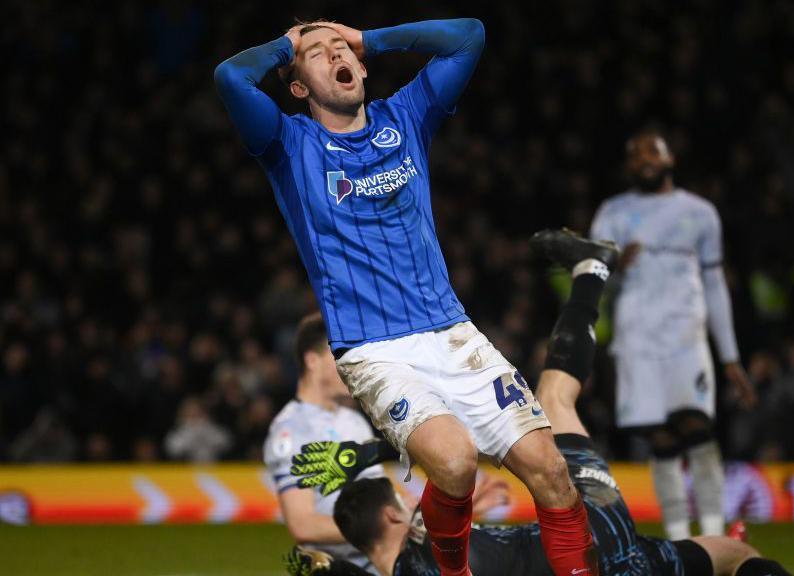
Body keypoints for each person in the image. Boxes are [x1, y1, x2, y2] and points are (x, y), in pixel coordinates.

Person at [214, 19, 596, 575]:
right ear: (298, 87)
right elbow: (230, 77)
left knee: (551, 470)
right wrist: (287, 45)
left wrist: (370, 37)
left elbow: (470, 35)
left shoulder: (406, 116)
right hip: (374, 350)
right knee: (456, 462)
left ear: (362, 65)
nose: (333, 55)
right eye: (316, 56)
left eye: (341, 49)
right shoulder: (287, 143)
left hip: (451, 331)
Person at [288, 229, 791, 576]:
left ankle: (592, 268)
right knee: (556, 397)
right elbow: (446, 454)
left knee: (726, 554)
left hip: (607, 547)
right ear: (397, 517)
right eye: (403, 501)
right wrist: (372, 459)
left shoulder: (413, 553)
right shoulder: (425, 545)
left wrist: (331, 565)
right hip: (589, 526)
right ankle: (592, 271)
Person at [589, 128, 756, 539]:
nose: (644, 158)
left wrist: (730, 356)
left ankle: (715, 535)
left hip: (686, 338)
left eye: (652, 151)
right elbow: (592, 281)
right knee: (660, 440)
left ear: (670, 159)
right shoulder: (611, 213)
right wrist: (614, 267)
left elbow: (715, 284)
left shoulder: (700, 213)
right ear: (628, 166)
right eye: (635, 153)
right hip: (637, 343)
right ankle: (680, 539)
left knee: (697, 428)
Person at [266, 314, 511, 574]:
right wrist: (389, 525)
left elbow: (376, 498)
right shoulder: (291, 430)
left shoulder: (352, 419)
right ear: (312, 361)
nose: (348, 363)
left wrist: (418, 512)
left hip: (389, 560)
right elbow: (304, 525)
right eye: (337, 356)